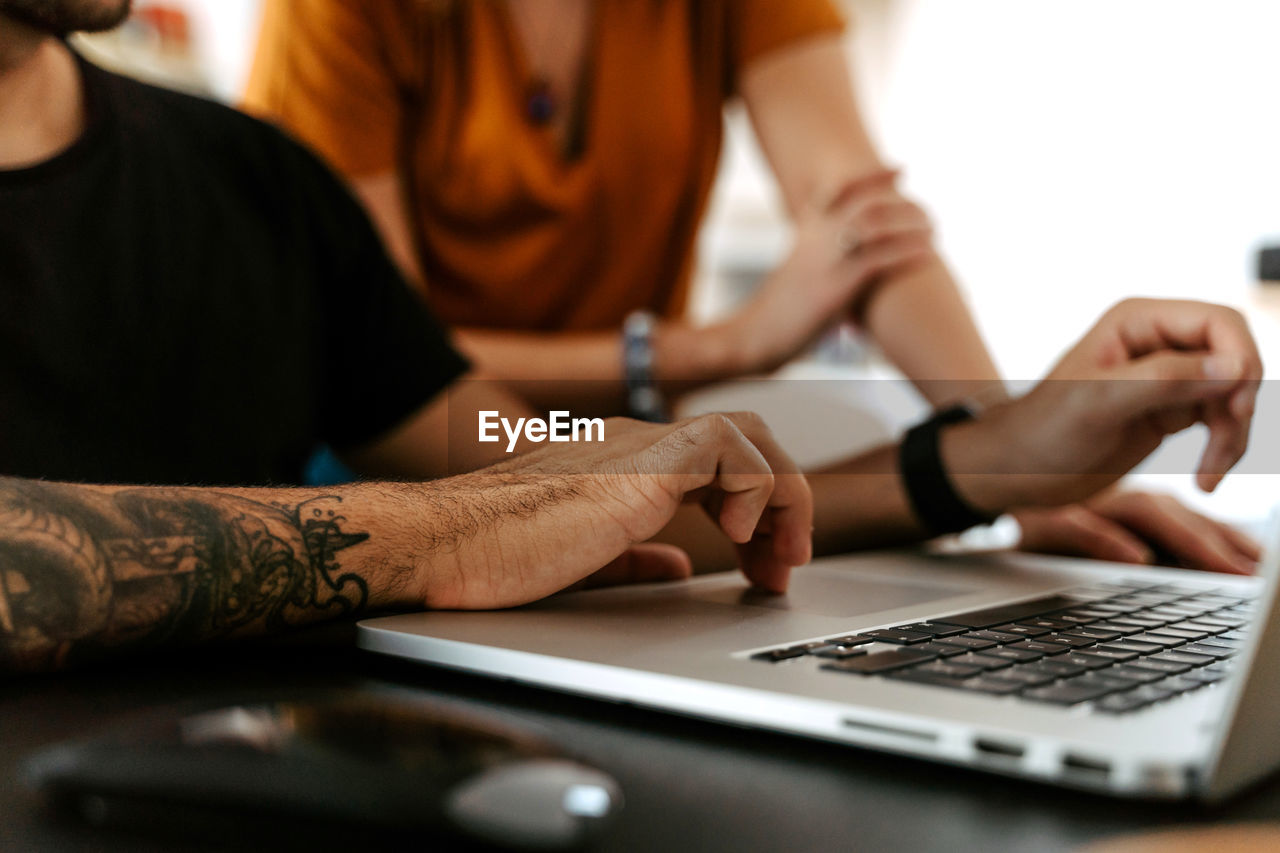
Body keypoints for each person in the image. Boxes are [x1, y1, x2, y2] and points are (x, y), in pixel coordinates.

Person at [0, 0, 1264, 673]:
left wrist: (983, 460)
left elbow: (477, 426)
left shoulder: (251, 183)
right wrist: (447, 526)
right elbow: (462, 497)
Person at [244, 0, 1260, 571]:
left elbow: (862, 230)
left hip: (638, 471)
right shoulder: (333, 15)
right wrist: (711, 348)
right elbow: (387, 363)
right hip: (415, 473)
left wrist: (1019, 453)